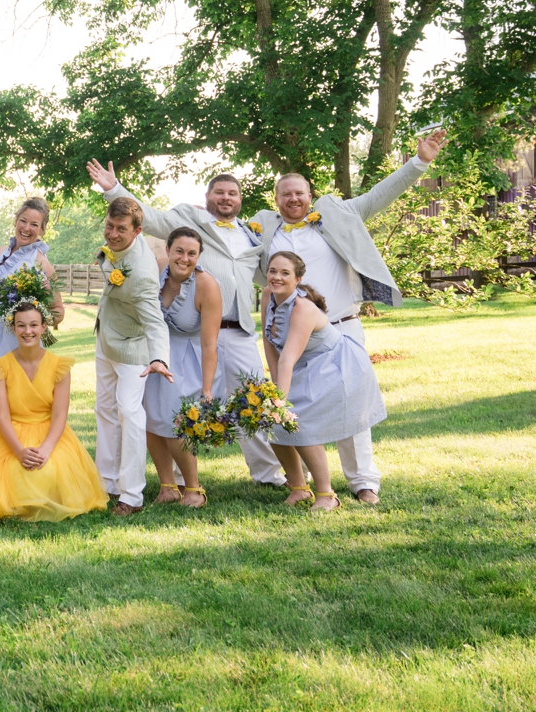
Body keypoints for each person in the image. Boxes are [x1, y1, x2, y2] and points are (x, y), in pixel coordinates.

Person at [250, 128, 445, 504]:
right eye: (286, 194)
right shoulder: (264, 232)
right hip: (289, 337)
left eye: (300, 193)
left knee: (351, 408)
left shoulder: (337, 214)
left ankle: (362, 482)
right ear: (276, 200)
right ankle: (302, 482)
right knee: (290, 404)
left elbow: (379, 196)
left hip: (341, 329)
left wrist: (419, 161)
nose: (294, 199)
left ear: (310, 195)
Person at [86, 164, 287, 486]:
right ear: (206, 197)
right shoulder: (189, 221)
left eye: (232, 193)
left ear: (240, 200)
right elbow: (146, 217)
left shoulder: (251, 234)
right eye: (219, 192)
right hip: (188, 328)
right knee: (170, 404)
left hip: (238, 331)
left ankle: (269, 474)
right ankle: (178, 479)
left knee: (252, 400)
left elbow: (277, 271)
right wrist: (114, 189)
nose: (226, 198)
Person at [261, 252, 387, 511]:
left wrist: (278, 403)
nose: (277, 277)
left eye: (285, 273)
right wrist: (274, 392)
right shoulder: (267, 296)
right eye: (273, 271)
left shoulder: (303, 309)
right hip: (306, 364)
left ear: (298, 279)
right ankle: (299, 489)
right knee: (272, 425)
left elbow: (288, 359)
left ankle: (327, 495)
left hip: (338, 365)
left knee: (301, 423)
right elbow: (270, 344)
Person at [0, 304, 109, 521]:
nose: (28, 331)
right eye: (21, 325)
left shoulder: (59, 366)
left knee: (50, 467)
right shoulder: (0, 367)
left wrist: (46, 449)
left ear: (44, 327)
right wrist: (19, 451)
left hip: (50, 431)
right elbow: (1, 416)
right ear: (13, 328)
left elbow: (59, 415)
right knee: (13, 469)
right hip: (12, 432)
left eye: (33, 325)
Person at [92, 196, 173, 516]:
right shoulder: (114, 246)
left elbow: (155, 322)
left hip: (132, 349)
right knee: (106, 411)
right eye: (109, 226)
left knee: (130, 414)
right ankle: (106, 484)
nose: (112, 234)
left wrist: (160, 359)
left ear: (137, 231)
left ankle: (132, 496)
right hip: (106, 339)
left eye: (120, 229)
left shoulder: (140, 273)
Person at [0, 197, 66, 428]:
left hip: (8, 336)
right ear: (15, 220)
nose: (26, 228)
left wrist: (32, 317)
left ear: (42, 229)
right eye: (23, 221)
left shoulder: (41, 263)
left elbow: (58, 312)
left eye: (34, 224)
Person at [141, 228, 223, 508]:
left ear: (199, 256)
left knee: (176, 423)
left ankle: (194, 488)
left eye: (191, 253)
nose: (184, 258)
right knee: (150, 421)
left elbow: (210, 344)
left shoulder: (207, 285)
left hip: (190, 358)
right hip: (155, 353)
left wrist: (208, 389)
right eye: (179, 251)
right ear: (168, 250)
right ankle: (167, 486)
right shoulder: (159, 270)